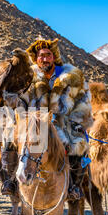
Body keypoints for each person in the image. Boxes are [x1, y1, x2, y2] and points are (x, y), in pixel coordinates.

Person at [20, 38, 93, 200]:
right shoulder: (29, 77)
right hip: (34, 121)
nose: (44, 59)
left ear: (54, 57)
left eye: (47, 55)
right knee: (12, 142)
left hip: (63, 121)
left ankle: (73, 185)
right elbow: (22, 99)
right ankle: (13, 183)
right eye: (41, 56)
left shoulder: (69, 75)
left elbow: (83, 100)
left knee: (78, 144)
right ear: (36, 58)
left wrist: (78, 121)